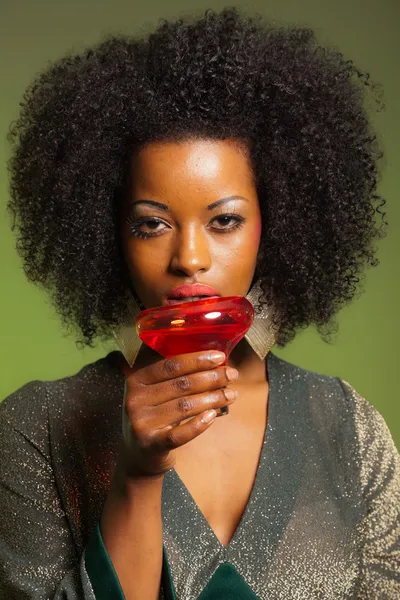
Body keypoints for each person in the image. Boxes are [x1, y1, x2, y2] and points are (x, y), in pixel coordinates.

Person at [0, 7, 399, 600]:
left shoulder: (347, 428)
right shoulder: (39, 427)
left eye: (225, 220)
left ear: (276, 224)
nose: (189, 258)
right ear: (108, 235)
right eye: (152, 225)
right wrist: (136, 475)